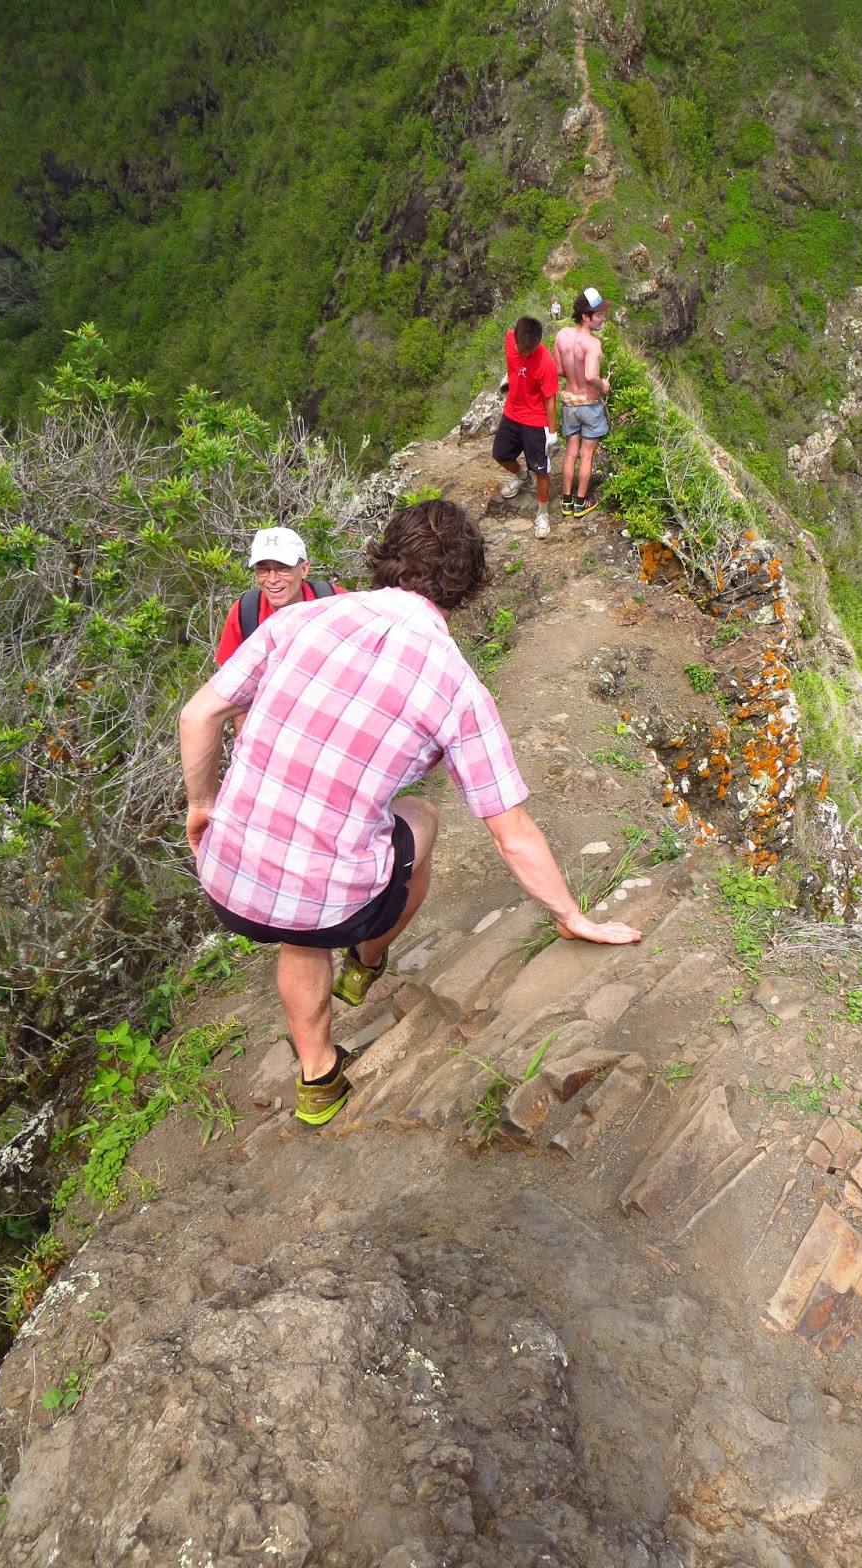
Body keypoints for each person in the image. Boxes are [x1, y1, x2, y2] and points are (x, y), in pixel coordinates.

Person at [179, 498, 641, 1128]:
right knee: (419, 817)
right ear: (466, 584)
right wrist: (570, 916)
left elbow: (198, 716)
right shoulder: (455, 685)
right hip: (326, 898)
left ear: (386, 555)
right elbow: (511, 832)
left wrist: (202, 805)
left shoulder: (297, 621)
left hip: (226, 875)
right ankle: (367, 960)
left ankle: (319, 1079)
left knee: (301, 921)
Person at [215, 526, 344, 666]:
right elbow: (228, 675)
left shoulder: (334, 601)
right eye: (263, 569)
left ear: (304, 569)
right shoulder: (245, 613)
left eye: (283, 568)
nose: (272, 579)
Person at [492, 315, 559, 542]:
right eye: (522, 350)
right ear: (516, 341)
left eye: (531, 351)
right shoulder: (510, 338)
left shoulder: (545, 362)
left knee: (541, 469)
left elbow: (550, 400)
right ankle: (522, 477)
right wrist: (510, 379)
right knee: (500, 454)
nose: (526, 354)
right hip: (512, 412)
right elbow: (514, 364)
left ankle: (543, 514)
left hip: (536, 419)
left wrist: (552, 434)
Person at [554, 287, 611, 519]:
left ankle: (566, 500)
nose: (603, 319)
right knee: (586, 455)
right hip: (589, 405)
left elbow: (559, 370)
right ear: (586, 317)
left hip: (570, 404)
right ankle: (580, 502)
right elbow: (590, 376)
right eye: (599, 315)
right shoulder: (593, 344)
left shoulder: (562, 336)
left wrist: (573, 375)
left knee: (570, 453)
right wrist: (602, 385)